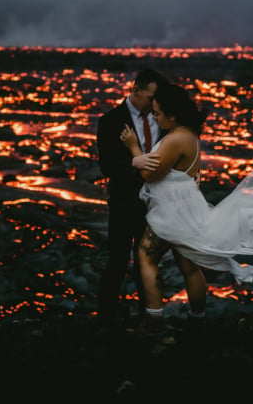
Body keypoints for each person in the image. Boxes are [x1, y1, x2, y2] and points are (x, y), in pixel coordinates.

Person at [120, 81, 253, 332]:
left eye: (158, 113)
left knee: (146, 257)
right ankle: (197, 319)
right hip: (188, 209)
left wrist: (133, 147)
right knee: (190, 267)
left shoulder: (176, 138)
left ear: (172, 115)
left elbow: (150, 175)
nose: (155, 117)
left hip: (171, 213)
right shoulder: (189, 134)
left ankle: (154, 321)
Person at [95, 68, 168, 326]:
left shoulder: (161, 119)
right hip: (124, 203)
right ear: (135, 90)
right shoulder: (110, 121)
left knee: (147, 264)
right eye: (150, 98)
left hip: (154, 205)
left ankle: (146, 319)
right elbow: (108, 167)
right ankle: (105, 320)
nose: (153, 103)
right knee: (117, 261)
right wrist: (136, 161)